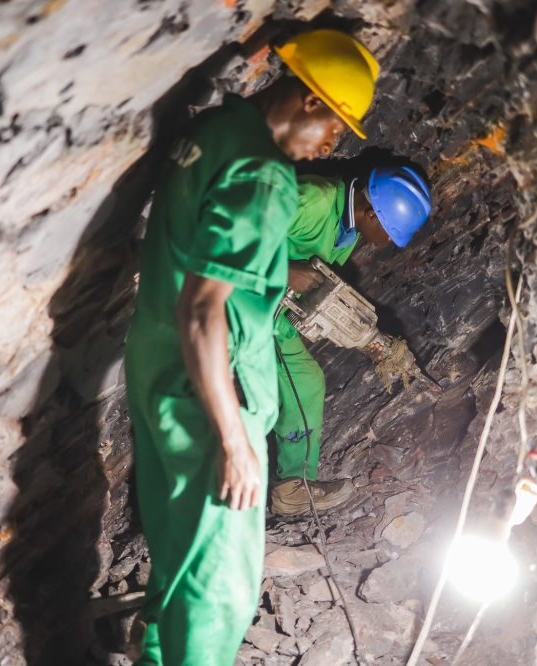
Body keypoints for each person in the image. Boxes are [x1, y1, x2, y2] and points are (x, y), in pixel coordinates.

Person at [123, 29, 378, 665]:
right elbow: (205, 310)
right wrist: (236, 441)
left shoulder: (212, 132)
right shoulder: (266, 177)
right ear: (311, 101)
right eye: (337, 125)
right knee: (221, 595)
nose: (333, 143)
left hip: (155, 369)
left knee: (179, 559)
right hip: (209, 399)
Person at [269, 165, 434, 516]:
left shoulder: (347, 231)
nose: (389, 241)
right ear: (372, 212)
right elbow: (226, 231)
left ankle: (293, 488)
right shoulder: (313, 201)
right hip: (230, 306)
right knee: (253, 405)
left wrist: (372, 342)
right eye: (390, 232)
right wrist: (284, 269)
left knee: (308, 383)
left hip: (273, 323)